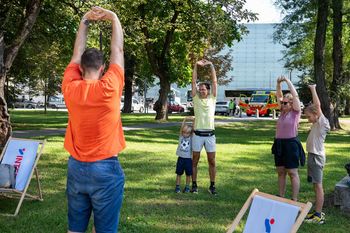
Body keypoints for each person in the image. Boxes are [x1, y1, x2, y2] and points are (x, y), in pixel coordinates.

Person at [61, 6, 125, 233]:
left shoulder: (70, 87)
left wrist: (84, 20)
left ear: (79, 68)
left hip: (76, 168)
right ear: (103, 68)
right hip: (105, 168)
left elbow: (76, 53)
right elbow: (117, 48)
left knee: (74, 230)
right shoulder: (110, 87)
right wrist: (113, 18)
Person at [272, 76, 304, 201]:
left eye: (285, 103)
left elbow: (295, 96)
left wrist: (288, 81)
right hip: (279, 143)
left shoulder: (295, 112)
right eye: (282, 102)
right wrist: (278, 83)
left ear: (291, 104)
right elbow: (278, 95)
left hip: (291, 144)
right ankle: (281, 195)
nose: (282, 104)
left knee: (292, 172)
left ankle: (294, 199)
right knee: (281, 171)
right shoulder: (283, 111)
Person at [191, 59, 218, 195]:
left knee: (211, 161)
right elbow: (193, 81)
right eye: (200, 89)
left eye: (203, 89)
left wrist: (211, 65)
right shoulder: (195, 99)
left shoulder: (212, 98)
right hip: (197, 135)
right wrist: (196, 65)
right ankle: (194, 185)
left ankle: (212, 186)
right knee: (194, 160)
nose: (201, 90)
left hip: (210, 135)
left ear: (208, 90)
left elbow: (214, 82)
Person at [304, 84, 330, 224]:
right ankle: (316, 212)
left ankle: (319, 215)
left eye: (309, 116)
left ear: (316, 114)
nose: (308, 119)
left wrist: (313, 89)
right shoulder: (316, 123)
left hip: (317, 157)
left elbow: (318, 105)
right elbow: (316, 108)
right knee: (315, 185)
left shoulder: (321, 122)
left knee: (318, 186)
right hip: (313, 156)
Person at [175, 116, 195, 193]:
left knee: (188, 174)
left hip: (188, 159)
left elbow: (193, 129)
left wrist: (193, 120)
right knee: (179, 173)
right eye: (184, 132)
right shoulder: (181, 137)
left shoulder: (191, 137)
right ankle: (177, 187)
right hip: (180, 158)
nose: (185, 134)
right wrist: (185, 119)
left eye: (187, 133)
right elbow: (182, 127)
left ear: (190, 133)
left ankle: (187, 187)